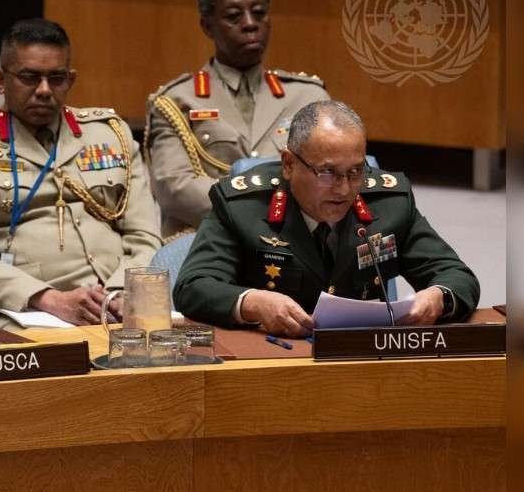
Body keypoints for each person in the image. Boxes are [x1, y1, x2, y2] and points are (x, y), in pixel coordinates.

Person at [173, 100, 479, 337]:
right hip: (272, 359)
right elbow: (193, 287)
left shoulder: (390, 203)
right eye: (327, 172)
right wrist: (252, 302)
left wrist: (439, 296)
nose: (344, 189)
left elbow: (457, 276)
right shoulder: (242, 206)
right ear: (289, 164)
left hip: (363, 360)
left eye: (356, 171)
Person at [0, 18, 161, 329]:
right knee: (54, 365)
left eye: (56, 78)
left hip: (118, 300)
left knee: (173, 354)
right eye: (29, 78)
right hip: (22, 309)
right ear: (0, 80)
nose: (43, 90)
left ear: (71, 80)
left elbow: (145, 236)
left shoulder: (110, 134)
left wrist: (117, 292)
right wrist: (51, 300)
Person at [144, 0, 330, 237]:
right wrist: (261, 211)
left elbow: (331, 174)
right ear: (207, 26)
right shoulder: (177, 101)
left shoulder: (309, 97)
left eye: (259, 13)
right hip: (210, 238)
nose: (250, 24)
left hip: (296, 240)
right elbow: (174, 188)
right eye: (234, 16)